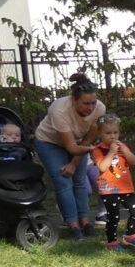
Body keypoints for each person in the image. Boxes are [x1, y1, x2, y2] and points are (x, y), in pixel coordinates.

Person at [34, 75, 106, 239]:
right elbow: (70, 147)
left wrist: (74, 163)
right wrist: (88, 151)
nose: (91, 107)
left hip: (80, 143)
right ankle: (72, 225)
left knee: (79, 181)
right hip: (49, 143)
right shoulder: (59, 109)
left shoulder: (100, 109)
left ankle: (85, 222)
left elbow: (87, 139)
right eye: (86, 103)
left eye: (93, 102)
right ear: (74, 100)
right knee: (63, 181)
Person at [90, 114, 135, 249]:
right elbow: (102, 167)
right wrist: (111, 152)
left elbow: (134, 161)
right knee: (113, 215)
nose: (113, 136)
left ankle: (130, 236)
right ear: (100, 133)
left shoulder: (123, 147)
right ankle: (112, 242)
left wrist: (125, 151)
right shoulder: (97, 150)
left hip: (125, 187)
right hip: (108, 189)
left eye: (115, 132)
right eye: (108, 133)